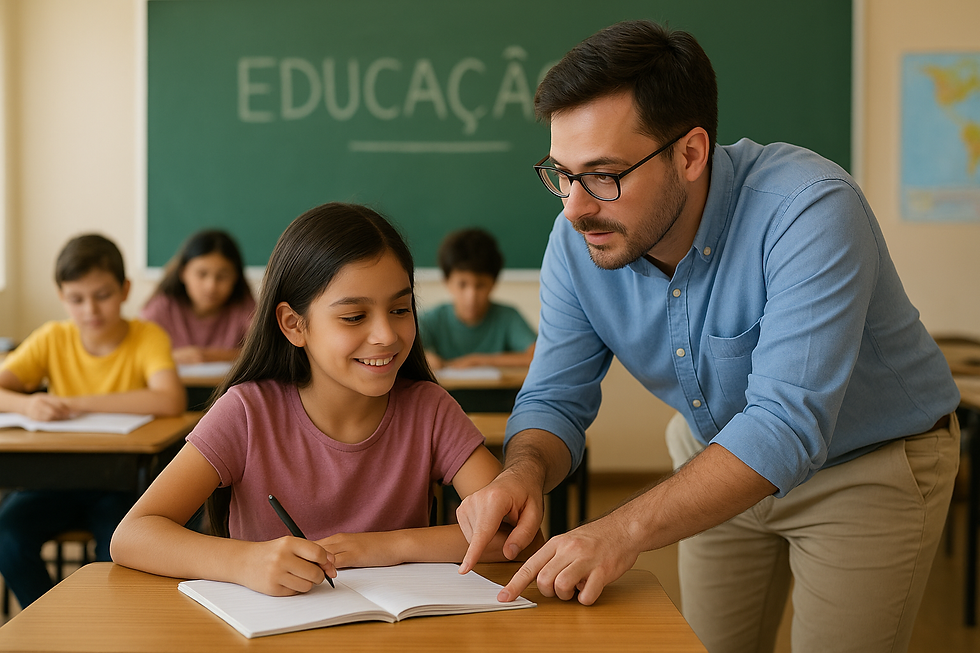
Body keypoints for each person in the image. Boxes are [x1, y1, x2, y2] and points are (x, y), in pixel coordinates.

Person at [455, 20, 960, 653]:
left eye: (603, 175)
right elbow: (554, 398)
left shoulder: (809, 208)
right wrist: (523, 473)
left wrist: (620, 529)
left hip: (866, 465)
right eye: (561, 173)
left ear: (690, 154)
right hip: (712, 457)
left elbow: (784, 425)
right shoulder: (577, 240)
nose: (574, 208)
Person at [111, 203, 542, 596]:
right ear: (294, 325)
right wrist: (244, 561)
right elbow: (132, 536)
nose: (386, 336)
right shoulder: (246, 412)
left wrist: (386, 546)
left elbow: (521, 539)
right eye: (354, 316)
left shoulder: (429, 410)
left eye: (400, 309)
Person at [0, 234, 185, 607]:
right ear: (61, 296)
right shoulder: (52, 337)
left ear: (125, 290)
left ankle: (102, 629)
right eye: (76, 299)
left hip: (117, 486)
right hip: (53, 479)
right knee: (7, 534)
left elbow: (170, 399)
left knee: (123, 552)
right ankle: (50, 620)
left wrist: (72, 403)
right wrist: (25, 405)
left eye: (102, 295)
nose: (90, 310)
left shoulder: (146, 336)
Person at [420, 228, 536, 370]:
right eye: (462, 284)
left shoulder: (508, 317)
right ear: (447, 281)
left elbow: (538, 355)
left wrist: (480, 361)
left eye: (480, 285)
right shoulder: (430, 320)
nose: (471, 296)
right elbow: (404, 351)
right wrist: (425, 358)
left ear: (493, 283)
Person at [141, 229, 255, 365]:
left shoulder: (245, 308)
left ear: (236, 277)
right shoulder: (161, 308)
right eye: (202, 274)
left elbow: (263, 353)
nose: (211, 286)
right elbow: (137, 353)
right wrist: (173, 356)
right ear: (183, 272)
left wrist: (206, 356)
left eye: (222, 276)